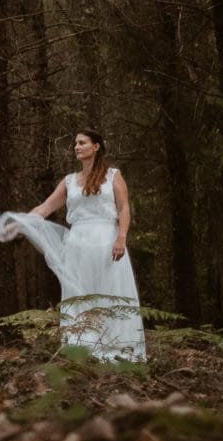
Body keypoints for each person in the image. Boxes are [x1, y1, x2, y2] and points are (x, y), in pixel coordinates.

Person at [15, 129, 146, 361]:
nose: (77, 147)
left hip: (107, 241)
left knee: (110, 294)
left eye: (82, 143)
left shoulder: (113, 175)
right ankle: (81, 348)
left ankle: (117, 349)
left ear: (96, 147)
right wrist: (22, 222)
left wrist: (122, 237)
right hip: (78, 243)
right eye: (75, 143)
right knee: (78, 294)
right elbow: (45, 208)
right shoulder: (69, 181)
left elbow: (124, 208)